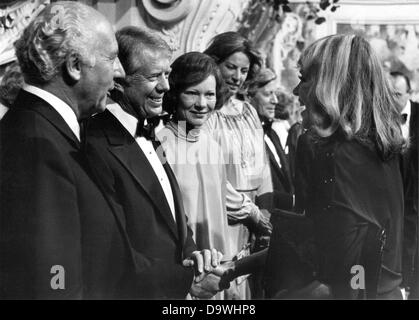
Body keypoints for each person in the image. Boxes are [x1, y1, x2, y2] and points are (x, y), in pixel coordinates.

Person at [0, 1, 135, 299]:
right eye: (111, 57)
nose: (121, 71)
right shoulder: (37, 144)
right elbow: (53, 278)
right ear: (74, 66)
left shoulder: (45, 130)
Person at [84, 26, 223, 299]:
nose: (166, 86)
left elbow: (172, 212)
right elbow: (113, 248)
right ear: (119, 80)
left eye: (167, 74)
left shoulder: (149, 132)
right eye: (153, 76)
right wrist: (184, 281)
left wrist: (194, 256)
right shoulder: (95, 142)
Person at [293, 34, 406, 299]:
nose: (296, 91)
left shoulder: (340, 156)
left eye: (303, 79)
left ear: (328, 86)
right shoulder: (377, 146)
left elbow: (350, 277)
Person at [158, 51, 269, 299]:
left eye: (209, 94)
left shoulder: (211, 145)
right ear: (175, 94)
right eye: (192, 93)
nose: (202, 103)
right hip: (183, 273)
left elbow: (219, 213)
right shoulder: (160, 144)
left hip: (217, 272)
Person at [203, 31, 273, 299]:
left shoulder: (250, 111)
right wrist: (250, 213)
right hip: (221, 217)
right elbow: (211, 176)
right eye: (230, 67)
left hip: (254, 224)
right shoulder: (205, 112)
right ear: (215, 64)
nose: (237, 76)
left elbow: (263, 169)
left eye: (243, 70)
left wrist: (263, 215)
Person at [389, 71, 418, 299]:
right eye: (388, 94)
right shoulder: (379, 119)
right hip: (392, 198)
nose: (392, 99)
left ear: (409, 93)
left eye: (397, 94)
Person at [247, 68, 294, 210]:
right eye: (268, 94)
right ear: (249, 96)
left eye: (275, 94)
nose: (275, 101)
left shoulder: (272, 133)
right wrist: (292, 201)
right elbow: (251, 188)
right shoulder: (245, 137)